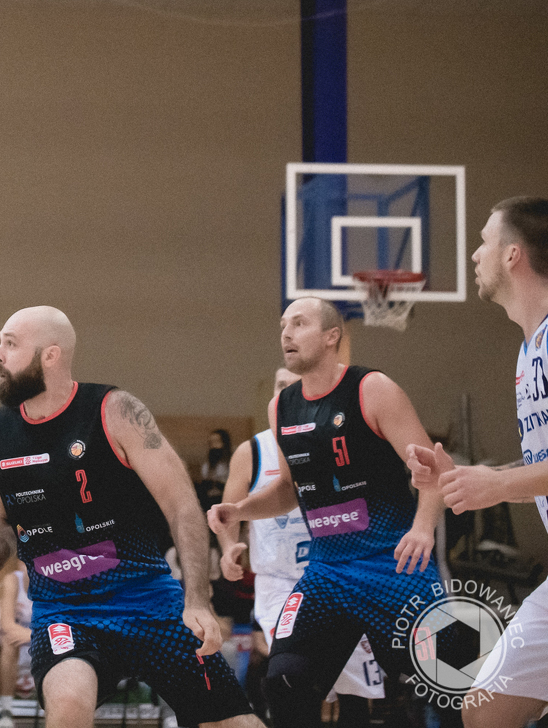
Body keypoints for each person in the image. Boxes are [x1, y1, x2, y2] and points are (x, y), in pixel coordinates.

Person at [0, 306, 258, 728]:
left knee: (234, 723)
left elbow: (182, 505)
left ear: (50, 355)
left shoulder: (115, 410)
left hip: (147, 598)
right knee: (67, 705)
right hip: (63, 609)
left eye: (10, 343)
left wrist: (197, 601)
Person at [208, 298, 445, 728]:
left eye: (299, 323)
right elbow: (288, 489)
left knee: (438, 687)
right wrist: (240, 509)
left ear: (332, 336)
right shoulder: (281, 407)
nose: (286, 332)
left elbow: (434, 470)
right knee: (284, 680)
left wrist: (423, 528)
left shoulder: (372, 389)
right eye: (283, 324)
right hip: (328, 573)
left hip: (391, 565)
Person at [407, 197, 548, 728]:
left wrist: (499, 485)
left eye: (485, 241)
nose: (474, 254)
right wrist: (468, 481)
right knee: (486, 709)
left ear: (513, 254)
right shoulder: (528, 350)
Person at [214, 371, 382, 728]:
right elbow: (229, 511)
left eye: (296, 385)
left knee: (355, 694)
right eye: (281, 386)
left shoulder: (340, 440)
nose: (288, 393)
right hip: (280, 582)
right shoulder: (252, 451)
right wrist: (229, 548)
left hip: (338, 578)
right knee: (291, 678)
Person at [0, 562, 31, 728]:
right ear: (20, 562)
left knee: (63, 645)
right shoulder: (13, 580)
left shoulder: (53, 580)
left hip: (41, 644)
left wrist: (31, 635)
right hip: (19, 643)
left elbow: (60, 625)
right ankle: (6, 712)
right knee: (8, 641)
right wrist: (33, 634)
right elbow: (6, 624)